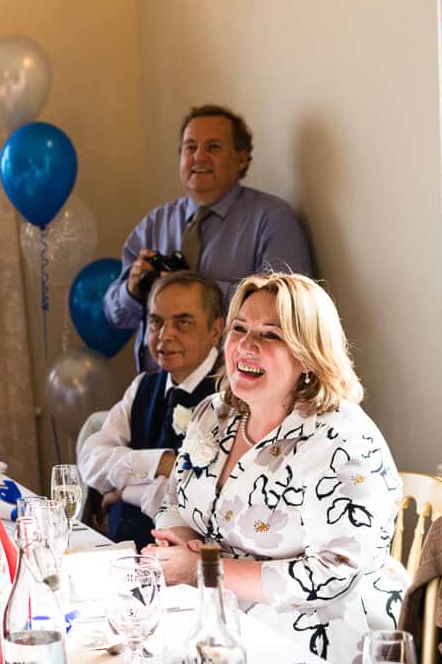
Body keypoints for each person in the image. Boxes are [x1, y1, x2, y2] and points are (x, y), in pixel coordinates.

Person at [143, 273, 406, 662]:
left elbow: (333, 575)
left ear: (308, 354)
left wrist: (203, 568)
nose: (246, 346)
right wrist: (179, 543)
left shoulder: (343, 440)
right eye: (239, 329)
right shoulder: (214, 414)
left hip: (317, 631)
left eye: (271, 334)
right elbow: (174, 500)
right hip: (214, 615)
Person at [103, 104, 313, 372]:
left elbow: (285, 308)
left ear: (241, 159)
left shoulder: (272, 220)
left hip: (233, 386)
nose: (199, 157)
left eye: (213, 147)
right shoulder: (155, 223)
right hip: (159, 388)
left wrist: (202, 293)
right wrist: (132, 291)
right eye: (190, 148)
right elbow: (114, 315)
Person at [79, 272, 222, 548]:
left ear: (215, 330)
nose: (165, 335)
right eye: (156, 322)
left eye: (183, 322)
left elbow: (202, 497)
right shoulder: (143, 386)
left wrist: (125, 492)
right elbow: (91, 459)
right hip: (117, 551)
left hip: (184, 565)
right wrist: (162, 463)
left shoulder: (228, 393)